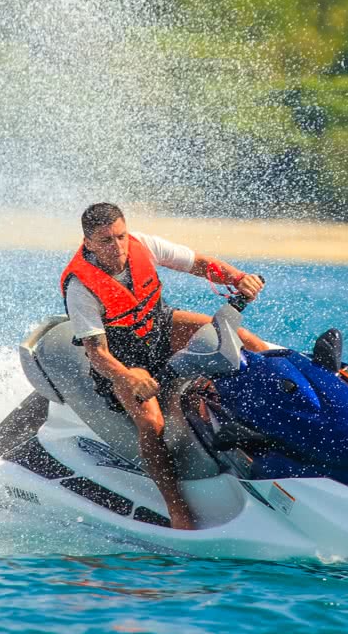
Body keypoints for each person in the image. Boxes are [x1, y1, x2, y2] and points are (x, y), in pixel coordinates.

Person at [60, 202, 268, 530]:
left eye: (120, 237)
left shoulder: (144, 245)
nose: (117, 247)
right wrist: (128, 377)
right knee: (151, 420)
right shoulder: (81, 286)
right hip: (123, 358)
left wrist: (238, 278)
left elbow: (199, 264)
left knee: (242, 338)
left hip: (159, 328)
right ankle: (177, 510)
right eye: (105, 241)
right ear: (88, 243)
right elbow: (97, 353)